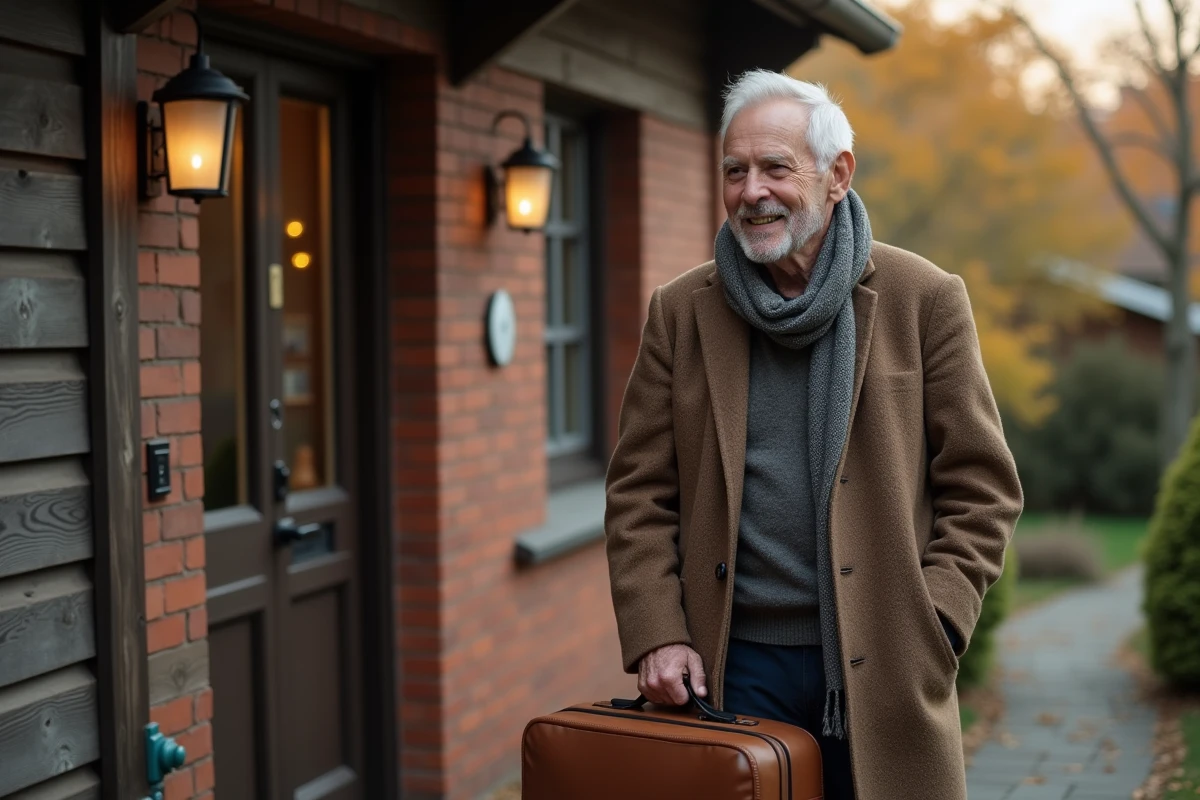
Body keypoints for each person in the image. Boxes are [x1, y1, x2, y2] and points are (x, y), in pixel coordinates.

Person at [603, 69, 1023, 800]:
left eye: (775, 167)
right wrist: (656, 631)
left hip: (885, 658)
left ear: (837, 175)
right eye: (734, 171)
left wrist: (937, 623)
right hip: (728, 666)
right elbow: (639, 492)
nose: (751, 191)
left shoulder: (924, 300)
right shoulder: (680, 311)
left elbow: (982, 487)